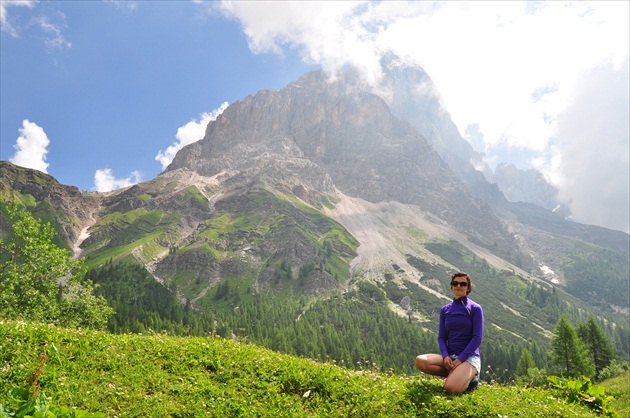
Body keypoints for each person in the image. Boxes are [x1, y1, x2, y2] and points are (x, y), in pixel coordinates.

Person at [415, 272, 484, 394]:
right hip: (450, 357)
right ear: (451, 286)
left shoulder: (475, 308)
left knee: (450, 389)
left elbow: (477, 338)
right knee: (420, 360)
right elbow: (442, 337)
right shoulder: (445, 309)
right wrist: (446, 356)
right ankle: (456, 373)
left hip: (469, 358)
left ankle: (472, 377)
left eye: (463, 284)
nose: (458, 286)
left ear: (468, 288)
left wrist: (460, 359)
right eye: (455, 283)